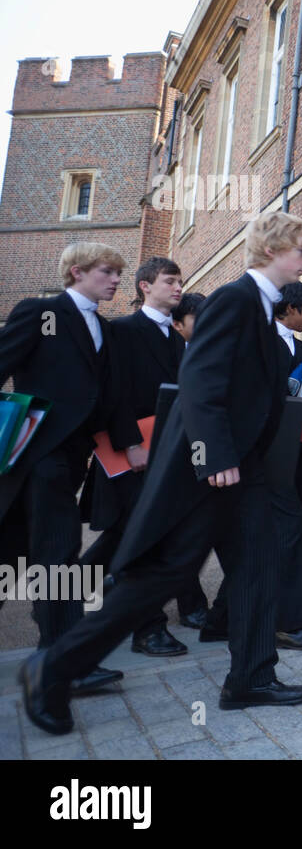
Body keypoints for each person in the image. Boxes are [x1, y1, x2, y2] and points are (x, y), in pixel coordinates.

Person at [18, 211, 302, 736]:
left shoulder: (260, 308)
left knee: (257, 564)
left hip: (241, 470)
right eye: (301, 249)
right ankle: (54, 666)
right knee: (164, 573)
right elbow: (199, 383)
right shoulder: (236, 299)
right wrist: (215, 456)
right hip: (210, 471)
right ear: (272, 250)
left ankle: (250, 676)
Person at [0, 241, 136, 694]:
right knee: (60, 553)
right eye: (106, 271)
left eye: (118, 273)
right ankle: (64, 661)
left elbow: (111, 398)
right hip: (37, 455)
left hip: (70, 460)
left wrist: (129, 449)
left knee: (15, 552)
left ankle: (57, 654)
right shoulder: (40, 313)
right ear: (76, 272)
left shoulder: (106, 329)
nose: (116, 280)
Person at [80, 256, 205, 655]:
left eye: (181, 281)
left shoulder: (179, 339)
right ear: (145, 286)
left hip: (170, 453)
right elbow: (111, 392)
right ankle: (147, 630)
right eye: (170, 280)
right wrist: (130, 444)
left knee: (127, 538)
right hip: (131, 453)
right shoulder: (122, 331)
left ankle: (62, 596)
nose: (178, 287)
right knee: (146, 538)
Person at [203, 280, 302, 648]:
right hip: (261, 453)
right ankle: (286, 623)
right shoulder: (260, 339)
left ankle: (222, 619)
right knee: (286, 531)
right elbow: (258, 395)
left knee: (269, 536)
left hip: (292, 452)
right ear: (289, 308)